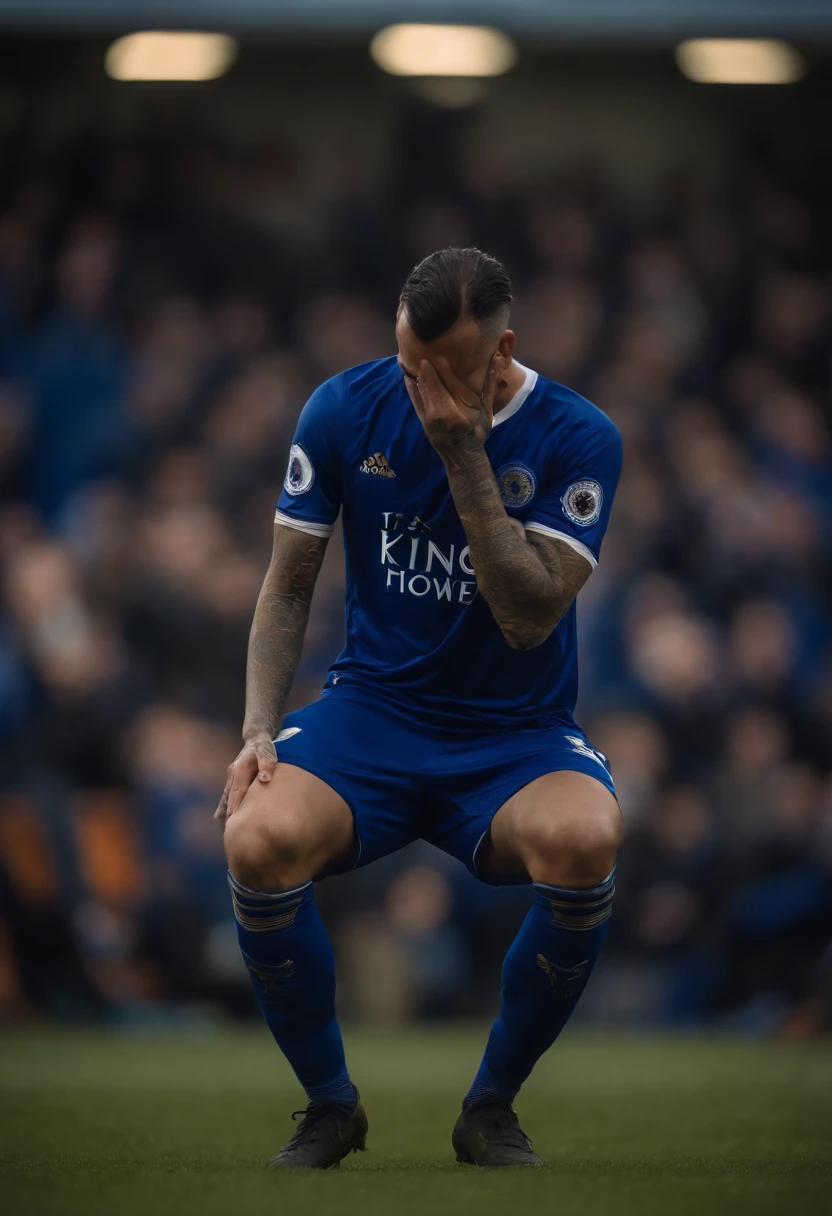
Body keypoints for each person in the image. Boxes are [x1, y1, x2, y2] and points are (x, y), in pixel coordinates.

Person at [216, 247, 623, 1168]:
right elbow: (286, 590)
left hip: (515, 735)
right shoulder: (342, 407)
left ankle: (490, 1107)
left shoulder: (580, 435)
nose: (420, 391)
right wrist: (253, 729)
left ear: (504, 349)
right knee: (254, 834)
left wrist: (462, 456)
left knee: (589, 838)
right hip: (372, 713)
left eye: (444, 376)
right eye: (408, 366)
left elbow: (524, 616)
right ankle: (330, 1107)